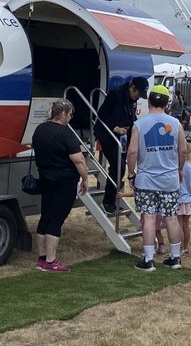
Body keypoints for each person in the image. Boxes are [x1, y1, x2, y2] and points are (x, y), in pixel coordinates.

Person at [128, 85, 186, 271]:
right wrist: (180, 169)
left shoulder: (139, 124)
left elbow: (132, 152)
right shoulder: (176, 124)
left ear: (150, 101)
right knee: (171, 218)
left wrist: (130, 172)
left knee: (149, 217)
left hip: (146, 179)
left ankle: (148, 259)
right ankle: (175, 257)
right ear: (167, 103)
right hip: (169, 179)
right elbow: (183, 150)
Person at [30, 99, 89, 273]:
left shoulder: (40, 129)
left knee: (45, 217)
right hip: (64, 182)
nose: (71, 117)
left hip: (45, 178)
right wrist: (85, 178)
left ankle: (41, 258)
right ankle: (51, 260)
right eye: (70, 114)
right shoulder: (66, 133)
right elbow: (78, 159)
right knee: (56, 220)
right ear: (63, 114)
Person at [94, 76, 147, 214]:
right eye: (138, 94)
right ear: (132, 87)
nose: (138, 98)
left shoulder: (132, 100)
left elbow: (132, 117)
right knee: (117, 166)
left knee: (121, 167)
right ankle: (107, 201)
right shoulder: (115, 94)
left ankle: (112, 199)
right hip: (108, 135)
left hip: (123, 136)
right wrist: (114, 128)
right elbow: (101, 116)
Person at [178, 146, 191, 254]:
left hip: (178, 200)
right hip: (189, 199)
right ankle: (185, 247)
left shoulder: (176, 168)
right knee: (186, 225)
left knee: (179, 224)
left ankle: (180, 248)